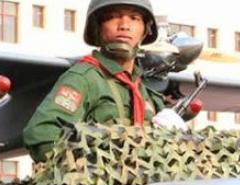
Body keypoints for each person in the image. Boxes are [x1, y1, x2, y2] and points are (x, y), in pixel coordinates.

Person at [23, 0, 184, 162]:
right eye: (113, 17)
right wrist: (95, 160)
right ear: (97, 27)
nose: (124, 25)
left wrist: (175, 139)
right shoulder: (84, 79)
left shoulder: (145, 94)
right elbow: (41, 136)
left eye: (134, 18)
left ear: (145, 30)